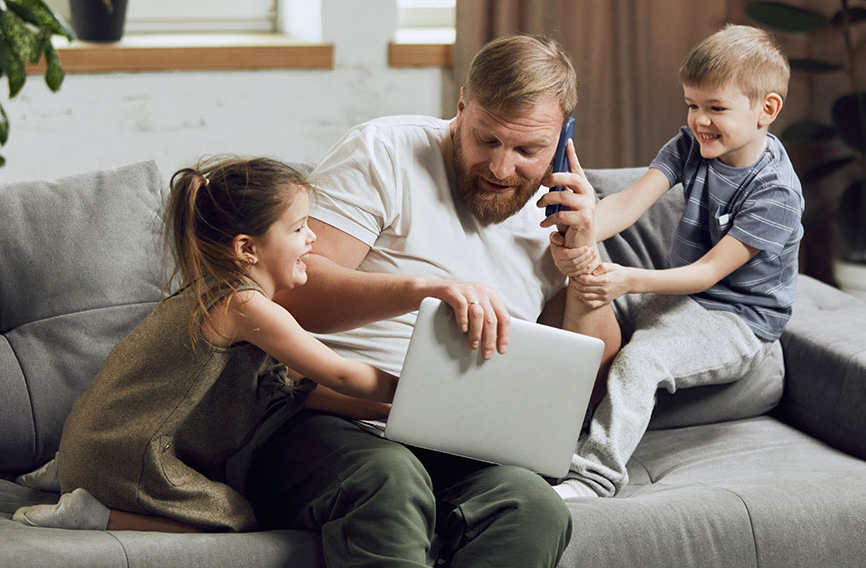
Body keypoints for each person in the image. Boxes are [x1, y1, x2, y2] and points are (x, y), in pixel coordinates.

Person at [255, 34, 622, 566]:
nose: (501, 168)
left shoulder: (564, 216)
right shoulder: (384, 151)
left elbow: (585, 377)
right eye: (487, 140)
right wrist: (425, 290)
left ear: (563, 138)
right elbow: (292, 291)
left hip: (467, 443)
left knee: (535, 505)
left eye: (526, 151)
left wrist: (583, 262)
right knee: (391, 478)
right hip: (331, 422)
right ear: (461, 106)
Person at [12, 157, 397, 533]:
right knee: (234, 515)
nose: (313, 238)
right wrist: (413, 388)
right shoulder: (246, 306)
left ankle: (75, 470)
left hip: (93, 442)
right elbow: (342, 374)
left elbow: (299, 389)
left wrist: (394, 411)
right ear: (247, 249)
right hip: (125, 457)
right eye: (298, 229)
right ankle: (94, 513)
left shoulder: (212, 290)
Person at [547, 24, 805, 499]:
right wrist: (581, 223)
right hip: (681, 297)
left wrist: (626, 280)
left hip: (736, 318)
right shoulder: (691, 145)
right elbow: (627, 204)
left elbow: (708, 272)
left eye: (716, 108)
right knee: (562, 303)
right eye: (692, 104)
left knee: (639, 362)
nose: (699, 120)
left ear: (766, 109)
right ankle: (531, 428)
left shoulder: (776, 194)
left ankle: (593, 477)